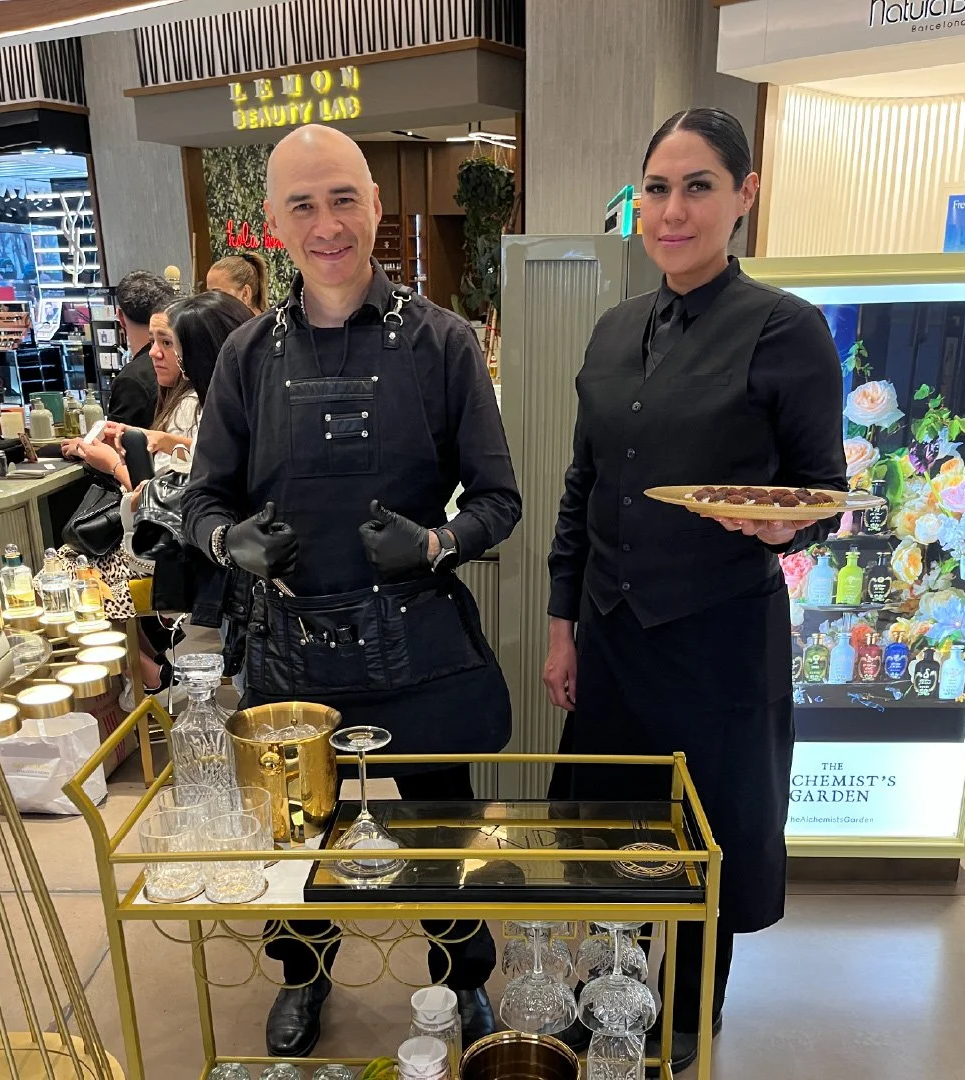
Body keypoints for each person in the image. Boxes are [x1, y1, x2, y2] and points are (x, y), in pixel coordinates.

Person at [183, 124, 521, 1058]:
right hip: (291, 652)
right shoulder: (246, 354)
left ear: (375, 205)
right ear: (273, 223)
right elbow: (201, 501)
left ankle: (463, 978)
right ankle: (302, 974)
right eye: (304, 205)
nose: (327, 224)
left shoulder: (444, 343)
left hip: (418, 645)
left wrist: (436, 543)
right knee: (300, 833)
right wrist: (228, 542)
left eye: (343, 200)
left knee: (444, 829)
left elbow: (499, 501)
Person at [542, 108, 847, 1074]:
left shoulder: (786, 329)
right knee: (609, 831)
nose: (672, 211)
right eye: (658, 189)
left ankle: (684, 1013)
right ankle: (612, 993)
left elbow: (822, 490)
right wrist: (561, 626)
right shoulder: (614, 327)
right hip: (612, 633)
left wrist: (788, 525)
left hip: (717, 640)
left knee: (702, 835)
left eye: (699, 186)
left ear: (744, 195)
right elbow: (584, 487)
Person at [62, 292, 254, 691]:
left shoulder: (203, 406)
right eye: (156, 342)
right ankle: (150, 669)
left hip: (198, 555)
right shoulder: (225, 403)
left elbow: (177, 496)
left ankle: (147, 673)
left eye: (170, 345)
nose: (158, 354)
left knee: (77, 576)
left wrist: (114, 465)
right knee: (77, 564)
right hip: (209, 553)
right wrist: (165, 441)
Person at [106, 271, 174, 429]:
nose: (155, 353)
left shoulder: (132, 380)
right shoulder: (188, 360)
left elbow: (117, 440)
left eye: (167, 343)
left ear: (120, 317)